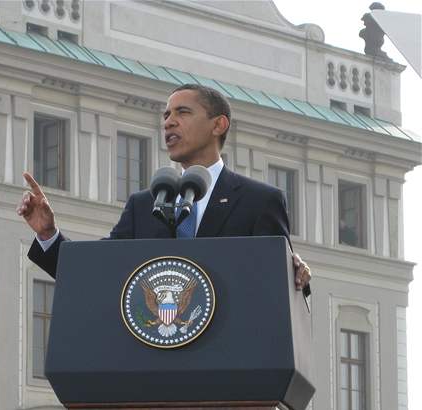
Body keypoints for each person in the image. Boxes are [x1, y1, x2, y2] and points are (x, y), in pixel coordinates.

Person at [17, 84, 312, 292]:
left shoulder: (259, 201)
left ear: (218, 124)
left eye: (182, 113)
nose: (169, 122)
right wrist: (48, 234)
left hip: (231, 369)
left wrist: (294, 274)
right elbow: (93, 272)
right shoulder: (144, 206)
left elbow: (279, 289)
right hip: (152, 368)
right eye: (166, 116)